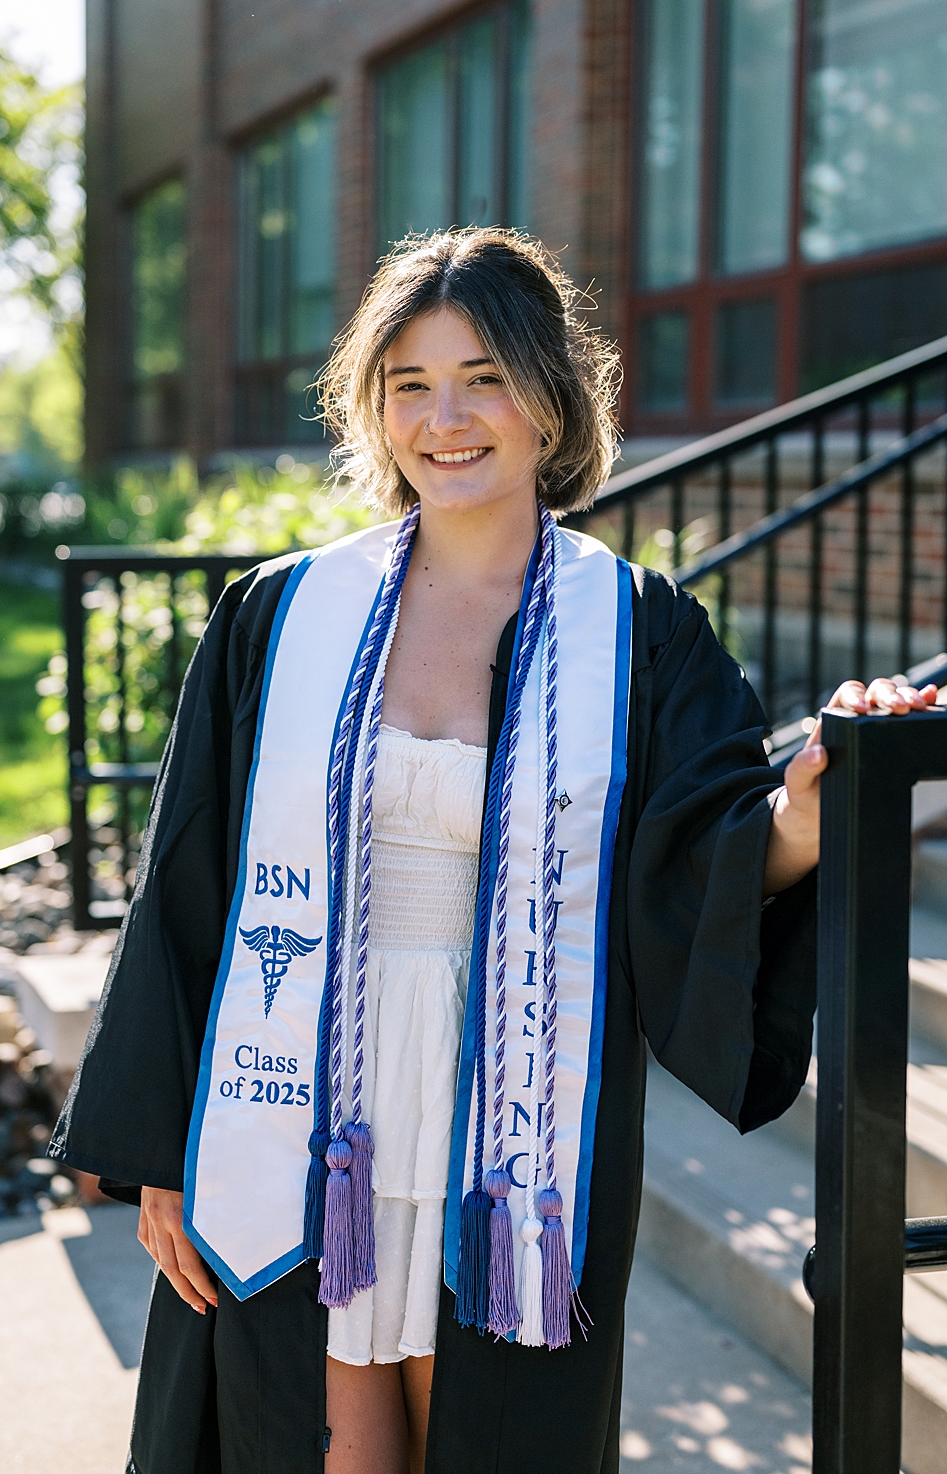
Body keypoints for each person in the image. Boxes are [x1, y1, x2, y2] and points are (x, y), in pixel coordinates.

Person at [49, 227, 936, 1473]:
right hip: (297, 1100)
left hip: (514, 1105)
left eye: (483, 377)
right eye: (406, 384)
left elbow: (704, 856)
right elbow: (188, 885)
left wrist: (805, 803)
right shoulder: (279, 616)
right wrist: (158, 1154)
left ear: (549, 399)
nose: (444, 418)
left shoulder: (633, 630)